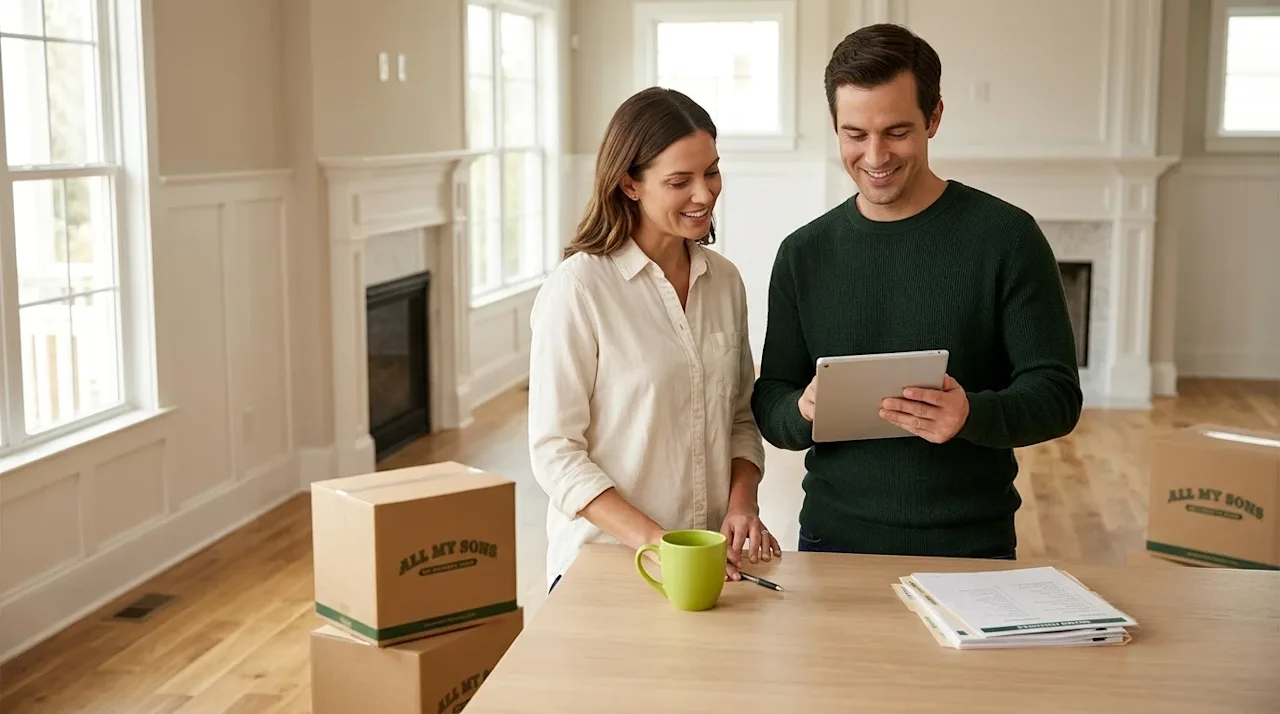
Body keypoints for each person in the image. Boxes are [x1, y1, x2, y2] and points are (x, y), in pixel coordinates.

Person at [751, 24, 1083, 560]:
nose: (875, 156)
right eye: (854, 134)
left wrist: (970, 415)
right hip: (831, 542)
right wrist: (805, 407)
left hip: (969, 545)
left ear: (934, 118)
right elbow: (772, 407)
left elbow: (1057, 396)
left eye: (897, 131)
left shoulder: (1007, 237)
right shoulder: (803, 253)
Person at [528, 87, 782, 593]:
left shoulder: (725, 281)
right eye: (679, 181)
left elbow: (739, 414)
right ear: (630, 184)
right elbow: (556, 452)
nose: (705, 194)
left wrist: (741, 504)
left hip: (706, 564)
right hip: (602, 566)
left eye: (711, 171)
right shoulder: (579, 289)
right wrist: (656, 542)